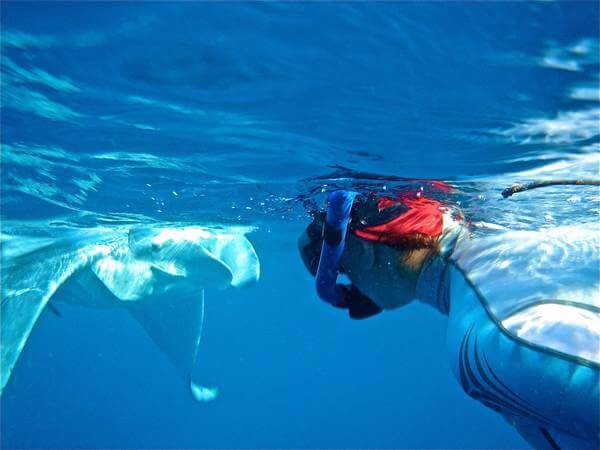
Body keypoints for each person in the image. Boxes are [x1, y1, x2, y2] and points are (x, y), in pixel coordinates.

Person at [298, 188, 599, 450]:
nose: (349, 282)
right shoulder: (524, 239)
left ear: (361, 251)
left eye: (342, 269)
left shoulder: (488, 344)